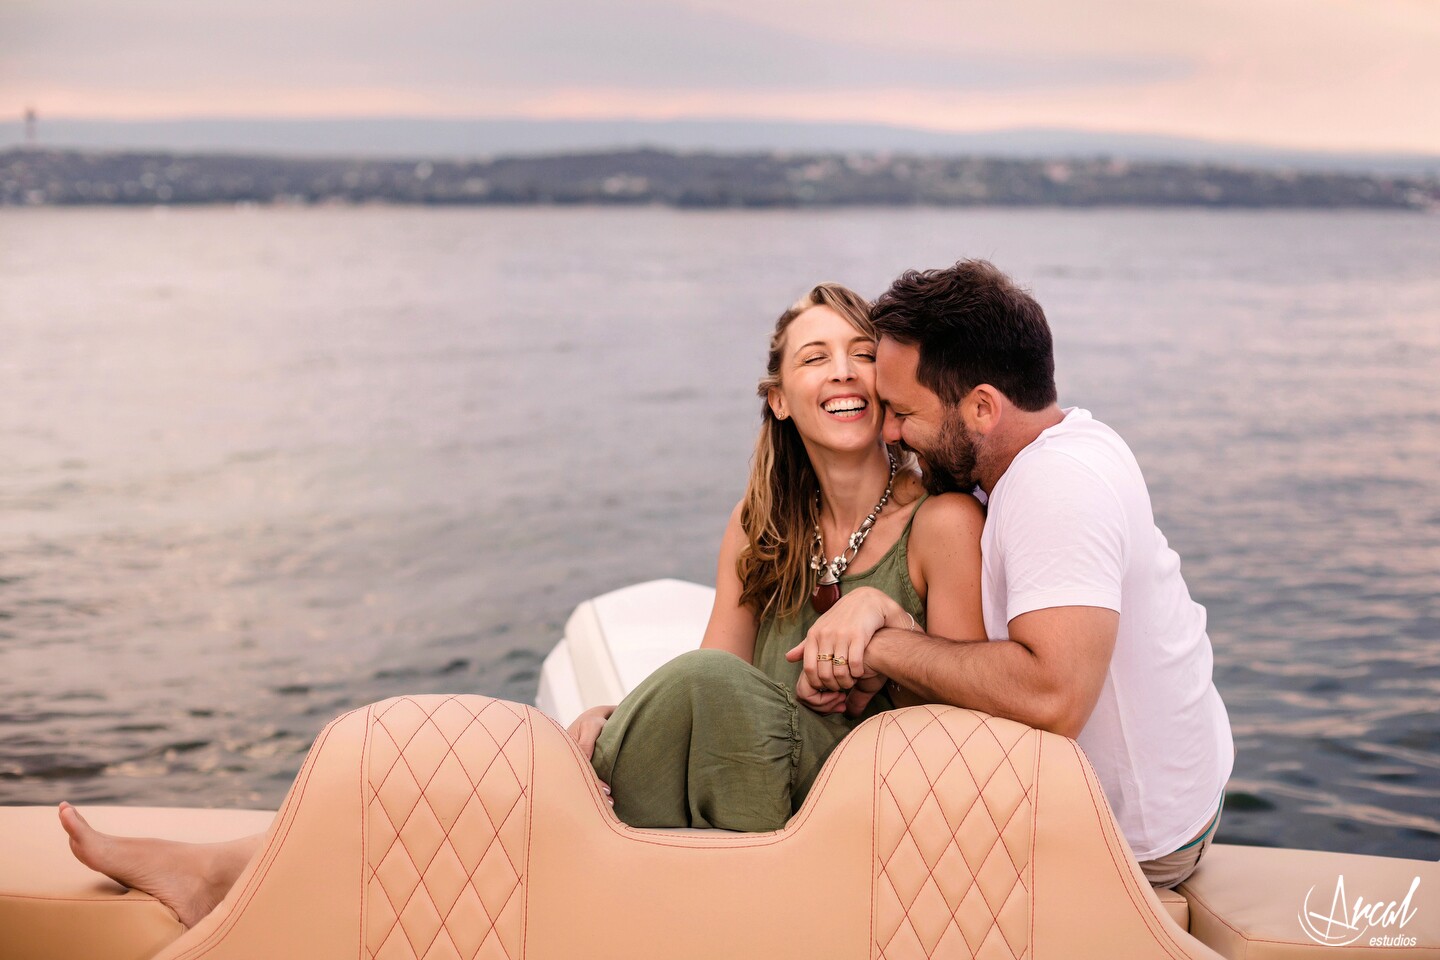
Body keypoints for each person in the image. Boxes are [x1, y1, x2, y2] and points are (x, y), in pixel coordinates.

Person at [57, 282, 987, 923]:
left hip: (843, 803)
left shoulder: (941, 522)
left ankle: (231, 871)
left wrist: (887, 624)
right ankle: (234, 870)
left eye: (860, 355)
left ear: (885, 383)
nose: (841, 372)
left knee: (577, 745)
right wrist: (615, 720)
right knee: (502, 758)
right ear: (779, 399)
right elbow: (729, 672)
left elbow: (966, 721)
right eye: (812, 356)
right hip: (735, 784)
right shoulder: (760, 526)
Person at [788, 259, 1233, 887]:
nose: (889, 432)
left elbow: (1052, 698)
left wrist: (885, 646)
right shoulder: (1051, 451)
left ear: (980, 409)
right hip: (1161, 804)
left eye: (904, 413)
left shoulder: (1055, 485)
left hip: (1137, 845)